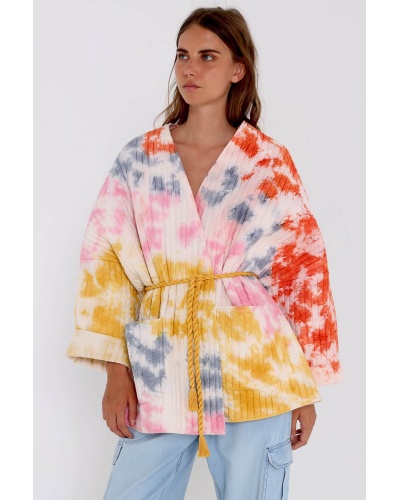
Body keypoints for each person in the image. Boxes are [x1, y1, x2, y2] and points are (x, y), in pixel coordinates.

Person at [66, 6, 342, 500]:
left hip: (256, 364)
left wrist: (304, 388)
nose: (190, 68)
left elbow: (303, 271)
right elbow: (105, 264)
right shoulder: (140, 159)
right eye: (183, 56)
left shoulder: (267, 161)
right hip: (159, 359)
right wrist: (115, 370)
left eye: (207, 57)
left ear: (238, 69)